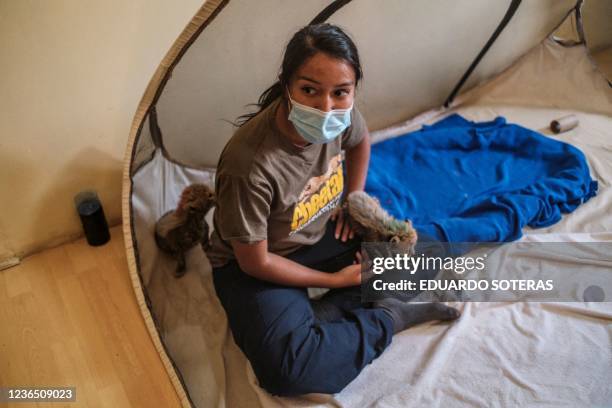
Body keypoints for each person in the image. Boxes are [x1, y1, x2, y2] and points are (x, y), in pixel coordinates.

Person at [205, 23, 460, 397]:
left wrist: (351, 201)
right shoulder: (249, 164)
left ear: (352, 89)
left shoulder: (343, 112)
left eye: (340, 93)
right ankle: (387, 316)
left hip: (321, 232)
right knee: (289, 371)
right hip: (261, 262)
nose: (325, 108)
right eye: (309, 90)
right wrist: (335, 280)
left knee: (423, 255)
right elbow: (253, 262)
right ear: (286, 85)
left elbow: (360, 142)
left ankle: (321, 315)